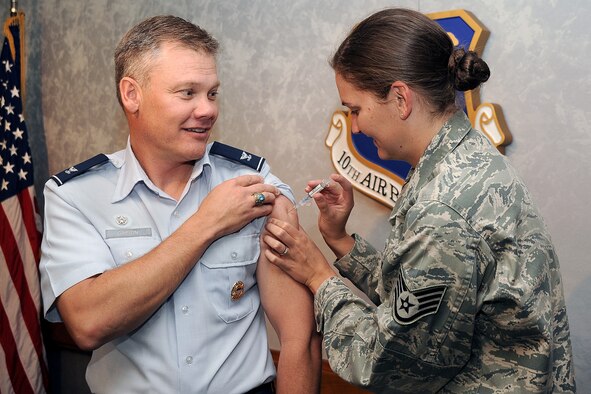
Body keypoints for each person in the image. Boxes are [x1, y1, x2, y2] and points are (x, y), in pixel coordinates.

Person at [262, 8, 576, 393]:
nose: (355, 125)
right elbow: (421, 300)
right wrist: (340, 240)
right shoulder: (464, 157)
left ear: (399, 98)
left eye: (356, 109)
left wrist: (318, 276)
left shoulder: (442, 209)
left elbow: (387, 363)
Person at [39, 15, 321, 394]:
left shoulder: (251, 184)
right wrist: (206, 225)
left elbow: (298, 337)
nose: (207, 110)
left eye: (212, 93)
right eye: (187, 93)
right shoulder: (75, 196)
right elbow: (88, 322)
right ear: (131, 94)